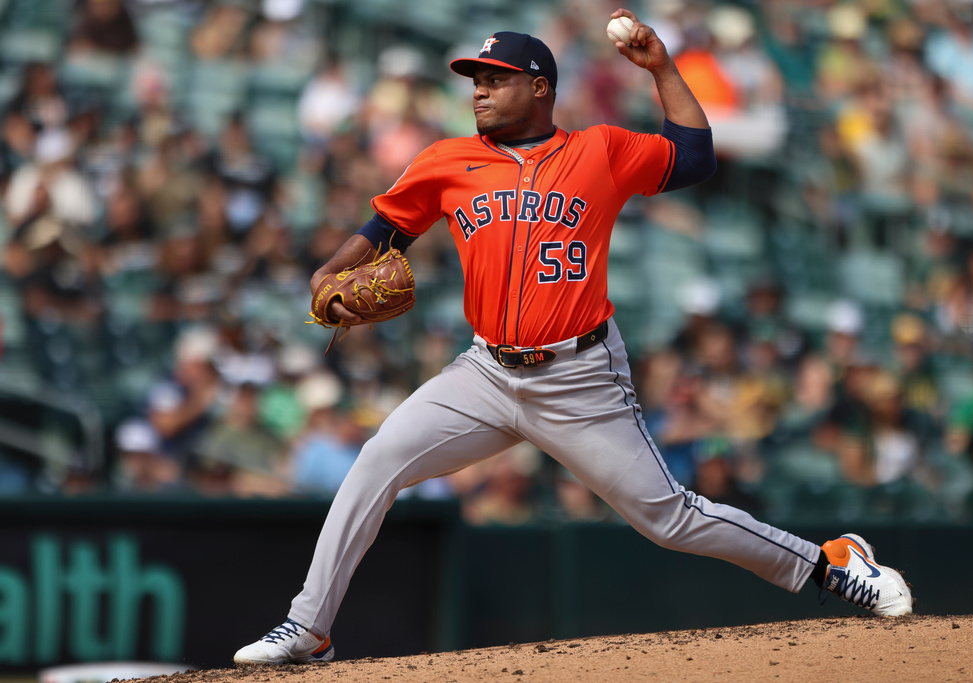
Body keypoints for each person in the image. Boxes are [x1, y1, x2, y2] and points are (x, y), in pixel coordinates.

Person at [233, 9, 913, 665]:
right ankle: (310, 625)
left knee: (668, 518)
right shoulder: (447, 161)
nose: (481, 91)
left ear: (540, 88)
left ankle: (831, 565)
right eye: (476, 80)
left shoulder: (601, 150)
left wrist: (663, 69)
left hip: (579, 375)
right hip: (485, 373)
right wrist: (332, 268)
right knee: (377, 460)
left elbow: (697, 156)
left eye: (496, 78)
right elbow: (390, 226)